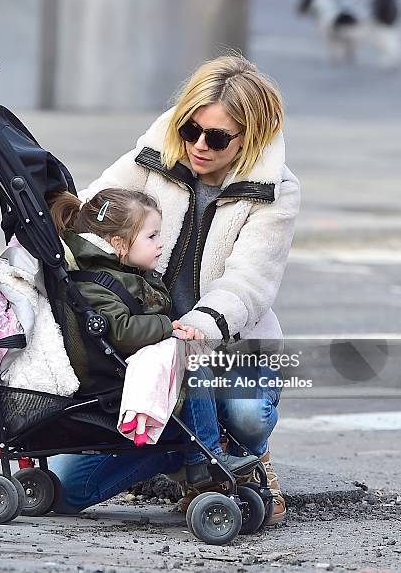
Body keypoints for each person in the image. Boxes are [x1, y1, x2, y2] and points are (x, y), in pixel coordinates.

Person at [51, 54, 300, 524]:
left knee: (246, 415)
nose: (199, 146)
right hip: (153, 347)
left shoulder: (277, 191)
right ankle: (189, 457)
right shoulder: (153, 156)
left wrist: (199, 325)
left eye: (217, 138)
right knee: (65, 489)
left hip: (232, 344)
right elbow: (89, 215)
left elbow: (249, 281)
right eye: (191, 130)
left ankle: (248, 462)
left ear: (250, 138)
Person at [49, 186, 260, 485]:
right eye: (152, 236)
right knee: (191, 365)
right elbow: (120, 331)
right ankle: (205, 458)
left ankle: (205, 454)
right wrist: (168, 326)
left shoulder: (128, 274)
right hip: (107, 382)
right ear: (120, 244)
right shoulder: (94, 285)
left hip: (129, 366)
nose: (161, 244)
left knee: (194, 356)